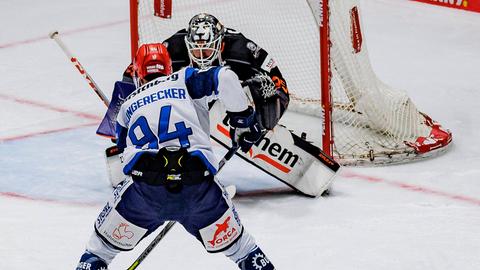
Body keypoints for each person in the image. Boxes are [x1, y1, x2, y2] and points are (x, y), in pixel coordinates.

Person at [76, 43, 275, 270]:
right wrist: (244, 120)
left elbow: (121, 155)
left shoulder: (126, 106)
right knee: (244, 249)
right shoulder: (185, 78)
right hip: (198, 187)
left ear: (138, 75)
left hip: (145, 192)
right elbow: (226, 78)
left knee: (98, 251)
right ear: (169, 67)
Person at [124, 13, 290, 132]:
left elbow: (278, 80)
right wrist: (124, 111)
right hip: (196, 93)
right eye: (196, 52)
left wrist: (266, 121)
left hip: (236, 95)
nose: (202, 57)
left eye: (207, 51)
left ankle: (245, 120)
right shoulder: (174, 47)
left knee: (262, 87)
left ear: (220, 44)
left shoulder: (242, 49)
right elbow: (135, 70)